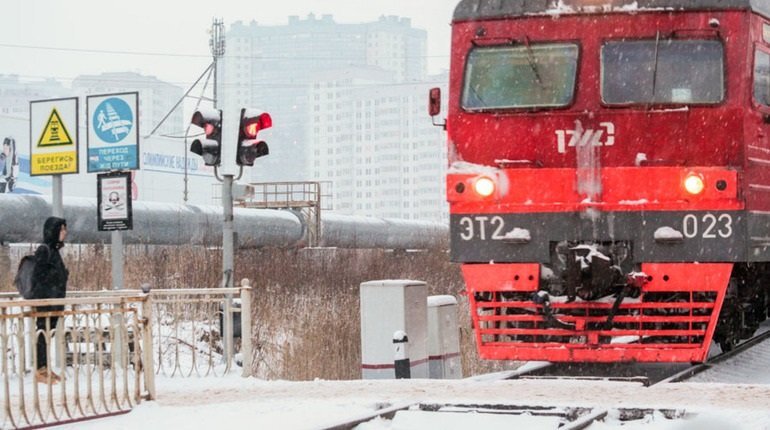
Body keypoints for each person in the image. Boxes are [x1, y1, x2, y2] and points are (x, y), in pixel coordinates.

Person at [31, 217, 69, 383]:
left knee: (48, 335)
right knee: (42, 334)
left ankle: (45, 367)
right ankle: (40, 369)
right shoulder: (44, 250)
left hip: (54, 301)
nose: (64, 233)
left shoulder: (54, 251)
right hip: (46, 301)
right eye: (61, 229)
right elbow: (38, 277)